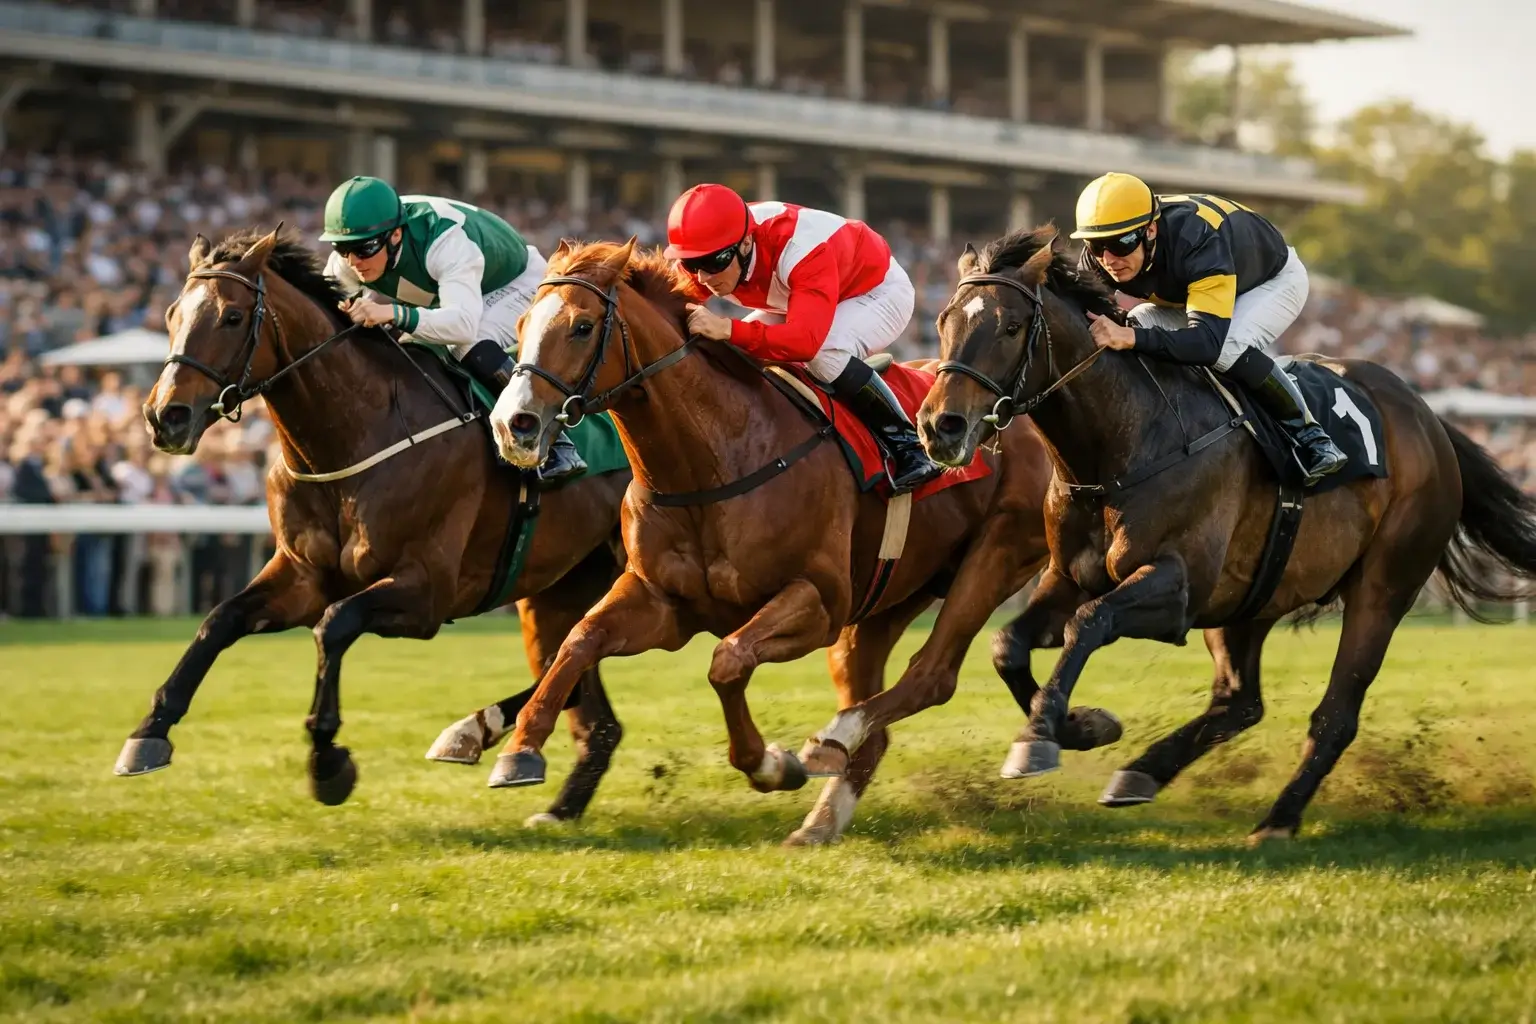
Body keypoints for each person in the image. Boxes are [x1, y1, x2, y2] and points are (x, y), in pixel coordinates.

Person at [663, 183, 942, 494]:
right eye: (691, 264)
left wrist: (729, 328)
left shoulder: (800, 248)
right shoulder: (713, 245)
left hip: (875, 291)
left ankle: (909, 445)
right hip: (799, 296)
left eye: (714, 263)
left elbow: (804, 342)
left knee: (825, 354)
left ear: (744, 244)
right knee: (729, 351)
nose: (702, 278)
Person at [1072, 172, 1347, 485]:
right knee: (1134, 324)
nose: (1108, 259)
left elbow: (1206, 344)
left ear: (1150, 230)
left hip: (1267, 283)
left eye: (1121, 243)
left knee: (1226, 347)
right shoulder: (1098, 259)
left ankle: (1312, 438)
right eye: (1095, 246)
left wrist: (1131, 337)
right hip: (1196, 291)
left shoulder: (1196, 238)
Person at [317, 176, 585, 479]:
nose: (353, 262)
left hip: (517, 282)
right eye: (342, 248)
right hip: (459, 293)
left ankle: (556, 442)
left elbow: (462, 326)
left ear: (394, 236)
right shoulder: (351, 258)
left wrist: (393, 312)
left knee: (466, 342)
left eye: (364, 249)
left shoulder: (444, 241)